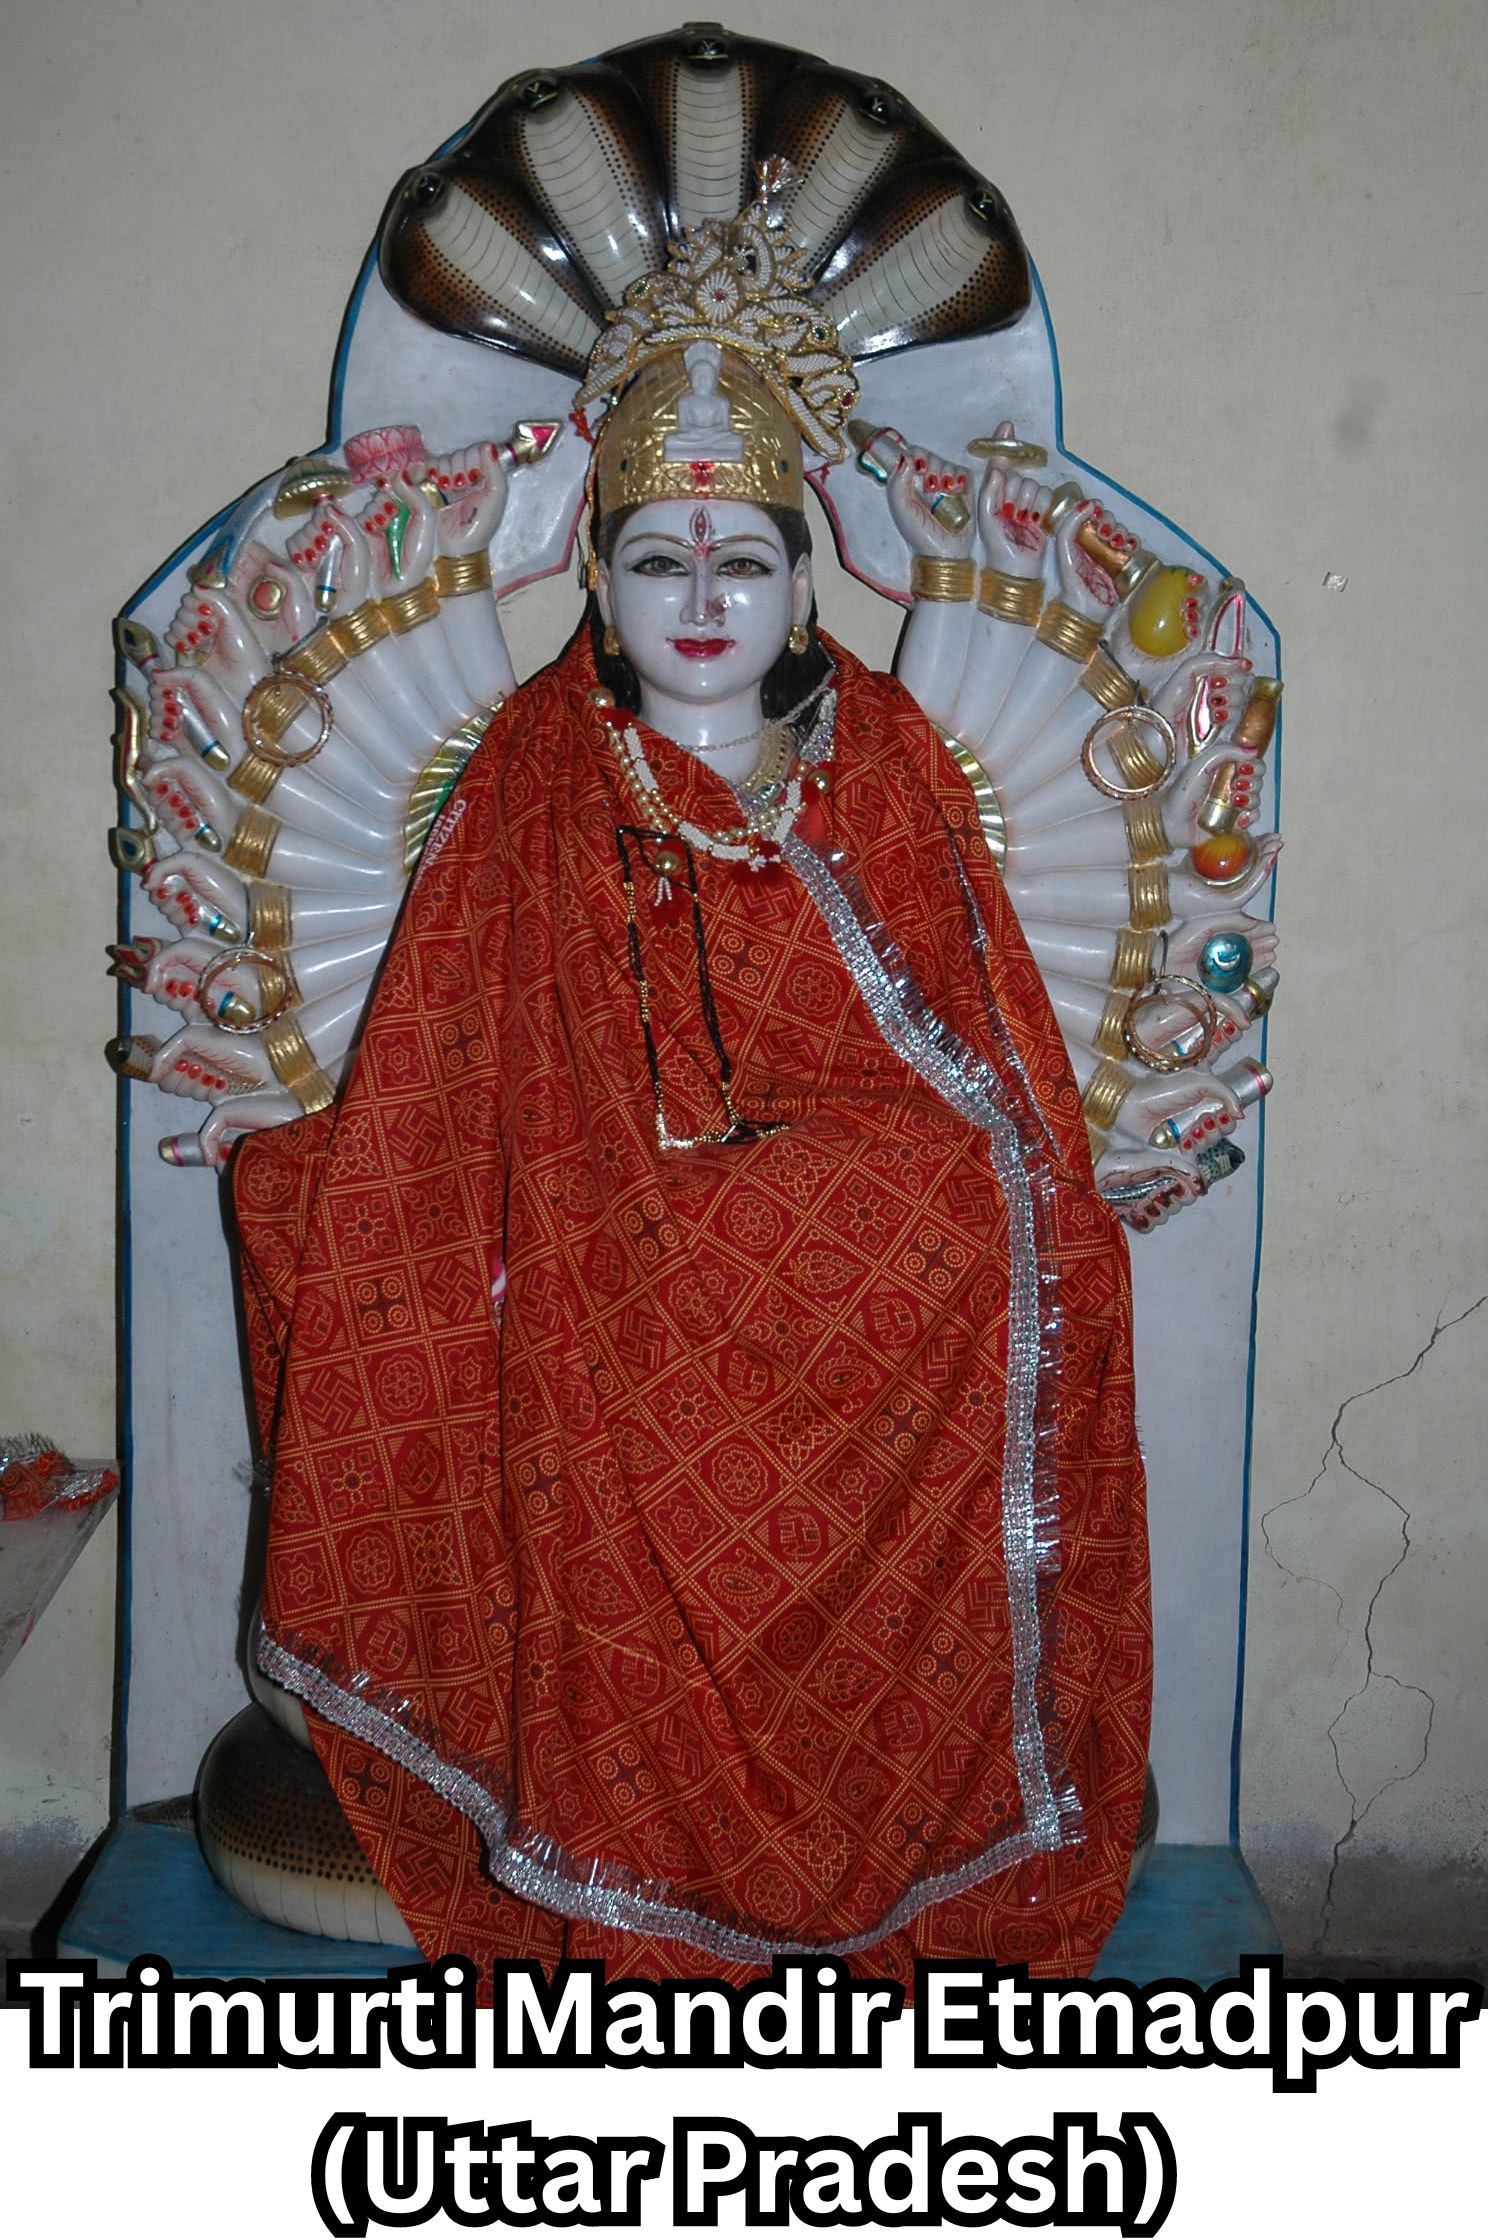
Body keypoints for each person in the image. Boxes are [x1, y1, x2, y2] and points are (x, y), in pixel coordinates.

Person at [231, 179, 1150, 1987]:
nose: (707, 598)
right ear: (599, 581)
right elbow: (463, 1065)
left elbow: (984, 1062)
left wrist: (909, 1189)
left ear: (806, 581)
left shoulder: (879, 759)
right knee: (514, 1270)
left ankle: (909, 1802)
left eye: (745, 560)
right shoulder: (535, 774)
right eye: (661, 559)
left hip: (876, 1258)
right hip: (600, 1229)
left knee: (1018, 1244)